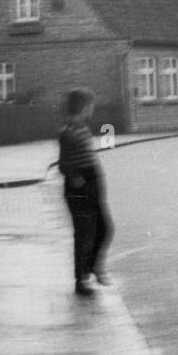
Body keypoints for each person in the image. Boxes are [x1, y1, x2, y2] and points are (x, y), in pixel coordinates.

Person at [58, 88, 113, 297]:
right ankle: (81, 279)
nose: (92, 110)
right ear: (83, 107)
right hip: (80, 190)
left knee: (104, 228)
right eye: (90, 106)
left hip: (91, 186)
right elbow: (64, 164)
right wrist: (74, 178)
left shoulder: (81, 127)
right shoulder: (69, 131)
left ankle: (92, 268)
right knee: (84, 234)